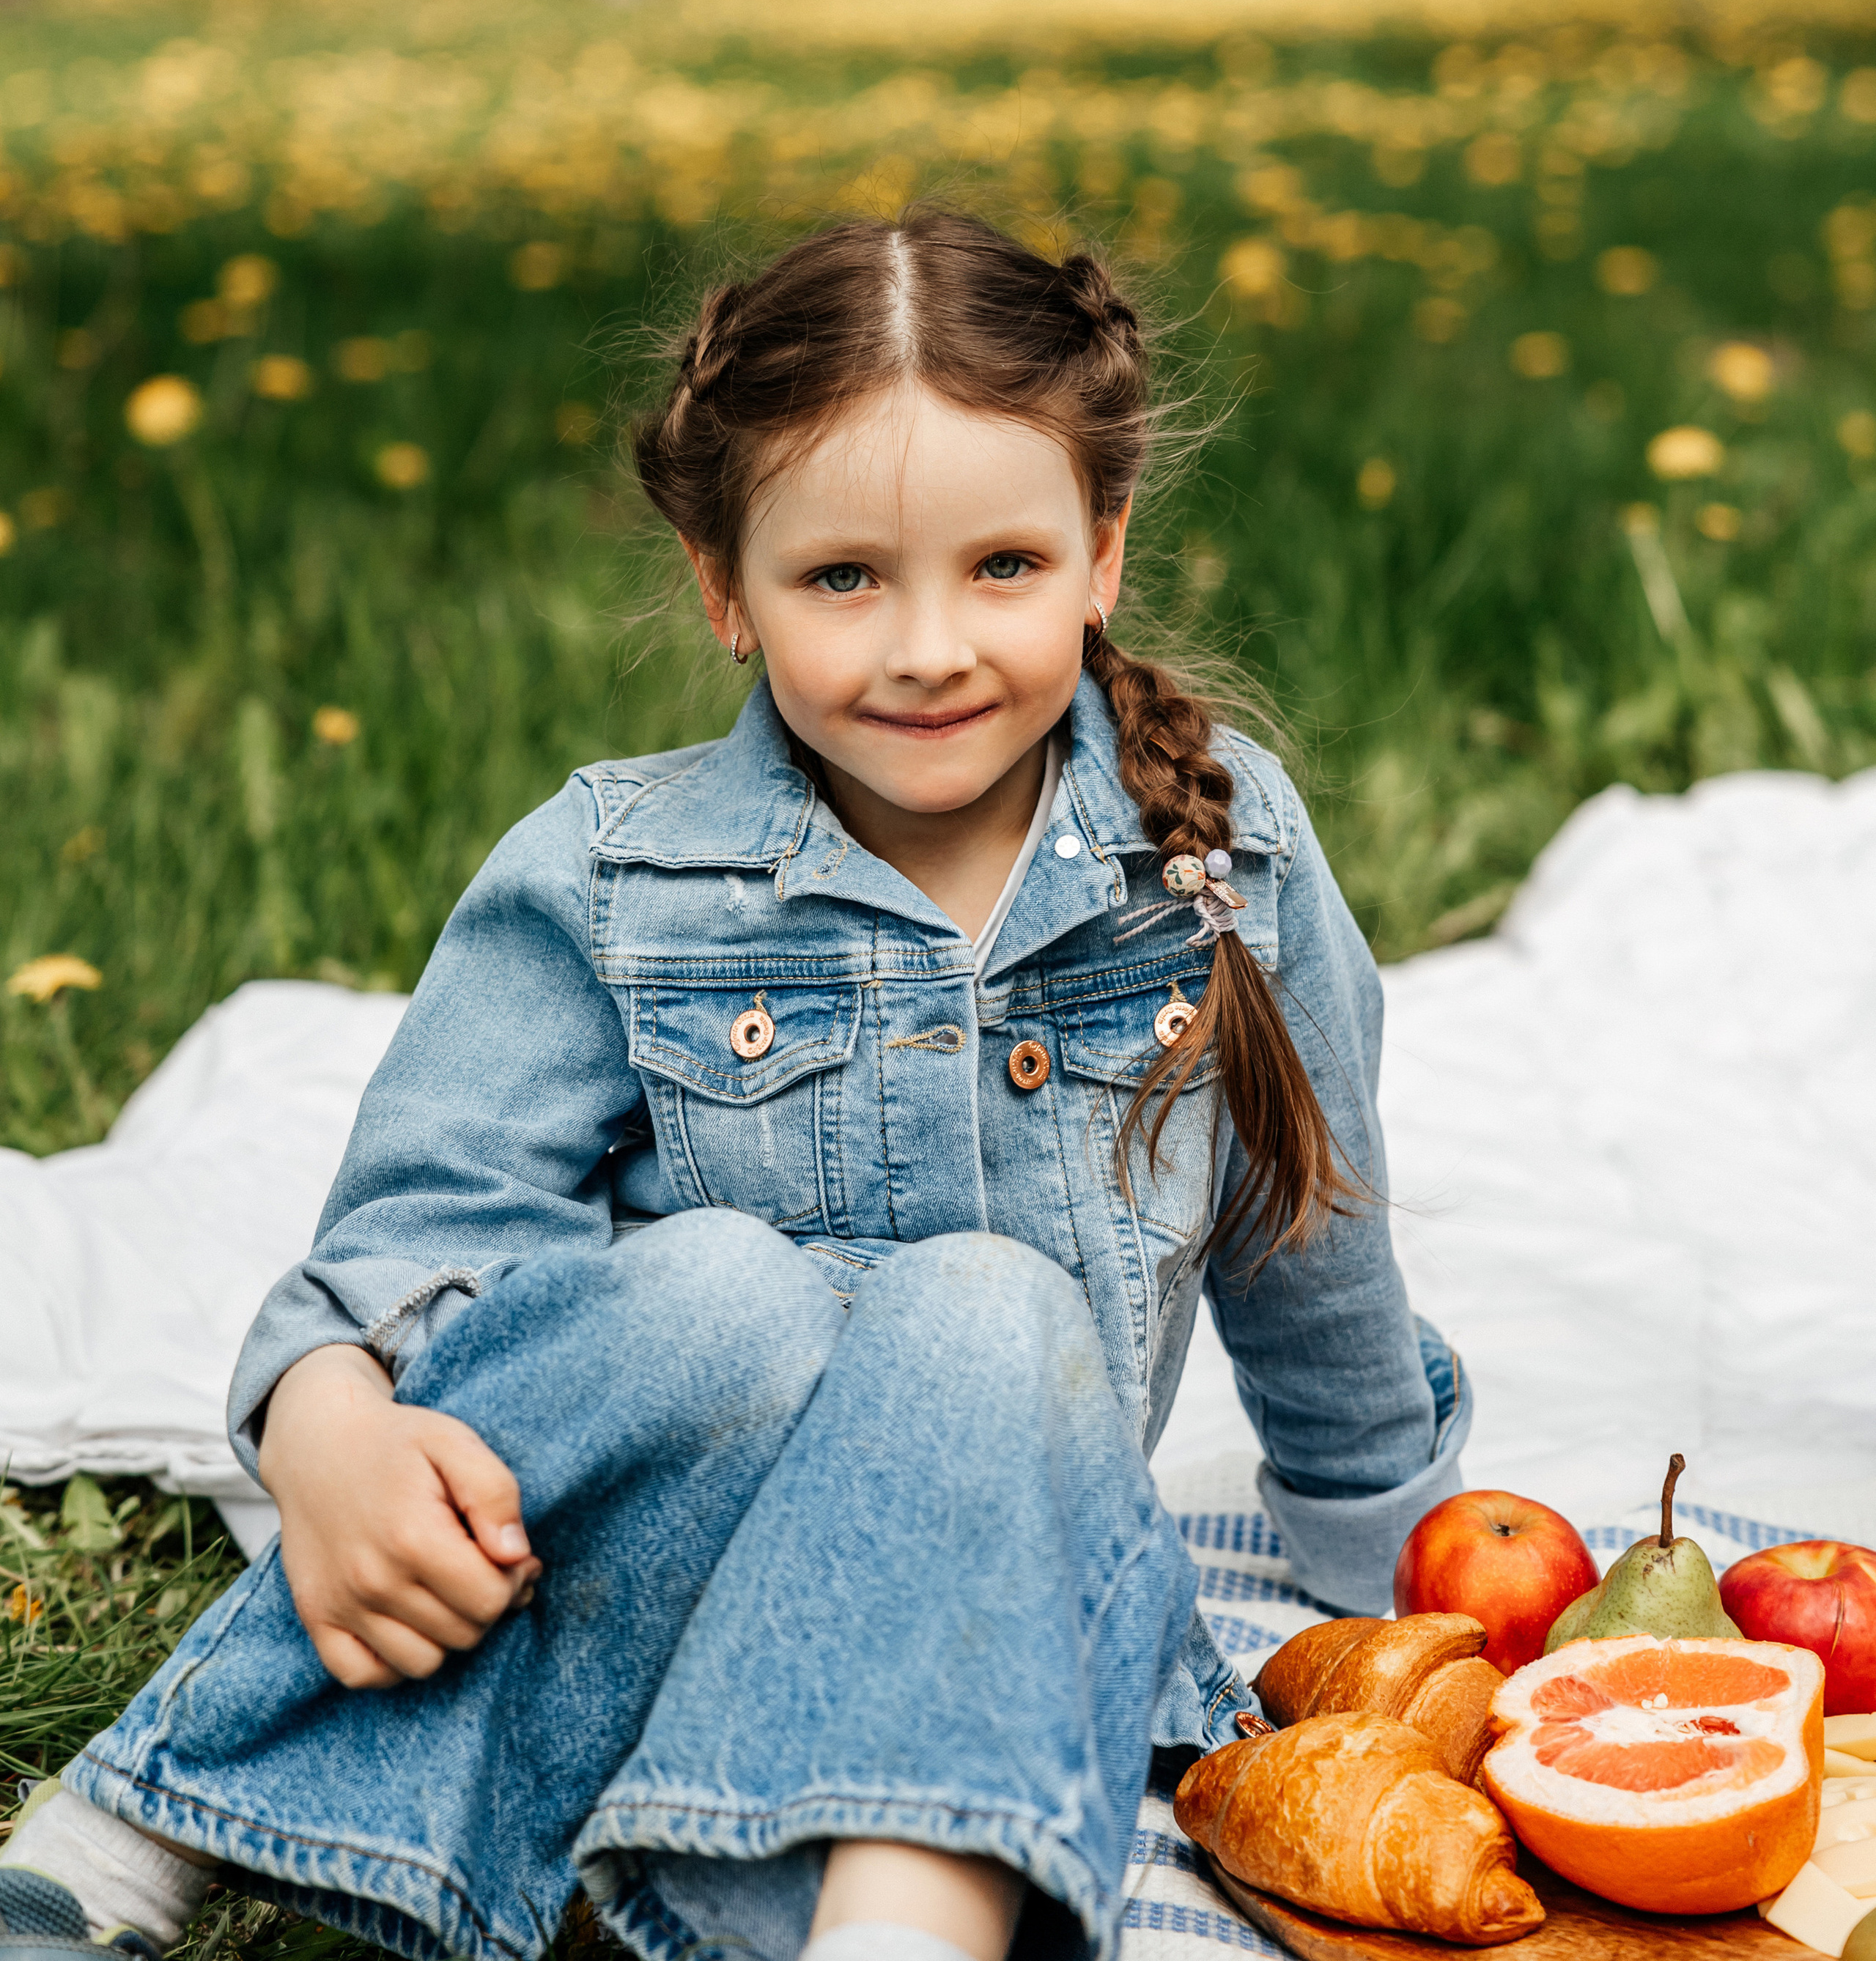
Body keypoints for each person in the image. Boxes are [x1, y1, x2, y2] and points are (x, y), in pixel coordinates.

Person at [0, 210, 1469, 1961]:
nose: (926, 645)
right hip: (640, 1572)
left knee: (993, 1312)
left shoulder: (1213, 858)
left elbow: (1308, 1243)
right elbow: (425, 1227)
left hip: (972, 1582)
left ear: (1102, 552)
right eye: (841, 577)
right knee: (716, 1287)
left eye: (1000, 566)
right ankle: (130, 1840)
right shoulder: (620, 875)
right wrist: (324, 1414)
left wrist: (1409, 1570)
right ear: (723, 586)